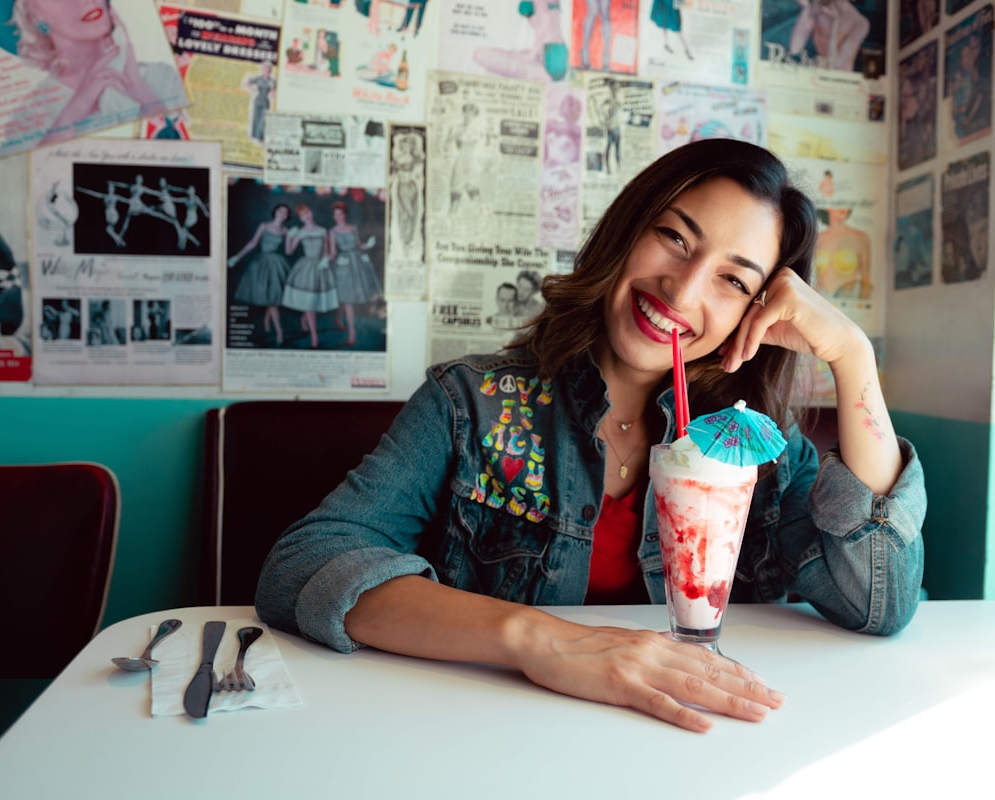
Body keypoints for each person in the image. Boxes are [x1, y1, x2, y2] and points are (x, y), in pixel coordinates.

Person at [256, 139, 925, 734]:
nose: (683, 286)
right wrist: (538, 640)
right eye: (674, 236)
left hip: (699, 743)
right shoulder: (471, 403)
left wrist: (852, 358)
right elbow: (303, 565)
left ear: (756, 312)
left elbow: (882, 600)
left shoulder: (751, 446)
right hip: (493, 738)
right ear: (626, 231)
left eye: (732, 279)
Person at [8, 0, 184, 147]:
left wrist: (140, 90)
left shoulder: (163, 79)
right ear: (35, 17)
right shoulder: (27, 120)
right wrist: (76, 109)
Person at [228, 204, 292, 346]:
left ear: (287, 216)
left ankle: (276, 330)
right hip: (261, 263)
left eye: (286, 212)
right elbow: (252, 243)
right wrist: (237, 257)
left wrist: (292, 237)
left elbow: (288, 252)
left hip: (276, 263)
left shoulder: (285, 230)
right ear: (275, 212)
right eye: (281, 211)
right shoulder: (263, 225)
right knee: (269, 297)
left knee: (272, 298)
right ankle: (273, 327)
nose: (283, 214)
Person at [281, 203, 338, 349]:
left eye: (308, 212)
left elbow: (327, 252)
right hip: (305, 268)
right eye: (303, 215)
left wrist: (326, 260)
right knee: (309, 302)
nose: (307, 216)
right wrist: (288, 237)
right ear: (301, 219)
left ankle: (304, 319)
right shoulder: (301, 232)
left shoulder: (323, 231)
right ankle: (314, 336)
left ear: (311, 212)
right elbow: (289, 252)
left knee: (313, 301)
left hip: (320, 267)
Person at [328, 201, 382, 347]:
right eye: (336, 215)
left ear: (345, 214)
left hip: (357, 263)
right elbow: (333, 253)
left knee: (350, 297)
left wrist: (368, 245)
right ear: (333, 217)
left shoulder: (353, 228)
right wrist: (325, 258)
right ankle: (352, 332)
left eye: (341, 214)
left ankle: (339, 319)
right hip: (343, 264)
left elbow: (359, 245)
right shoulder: (332, 232)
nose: (338, 217)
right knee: (347, 299)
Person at [472, 0, 569, 82]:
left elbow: (544, 31)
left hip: (550, 58)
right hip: (556, 53)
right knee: (482, 55)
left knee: (480, 55)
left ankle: (535, 71)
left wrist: (531, 55)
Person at [789, 0, 870, 72]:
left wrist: (834, 23)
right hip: (816, 76)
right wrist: (806, 9)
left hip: (840, 82)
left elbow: (834, 65)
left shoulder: (860, 23)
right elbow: (795, 48)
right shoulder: (819, 8)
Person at [814, 207, 872, 299]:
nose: (843, 207)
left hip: (847, 297)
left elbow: (865, 276)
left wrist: (863, 302)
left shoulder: (860, 238)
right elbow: (814, 276)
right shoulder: (818, 239)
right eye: (837, 204)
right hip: (820, 297)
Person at [246, 61, 276, 142]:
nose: (265, 70)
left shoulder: (272, 81)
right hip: (258, 100)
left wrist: (273, 95)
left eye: (267, 69)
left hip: (265, 102)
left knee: (263, 120)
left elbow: (273, 91)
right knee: (255, 118)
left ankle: (260, 137)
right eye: (264, 68)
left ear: (270, 70)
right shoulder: (258, 78)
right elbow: (247, 83)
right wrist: (252, 89)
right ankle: (254, 135)